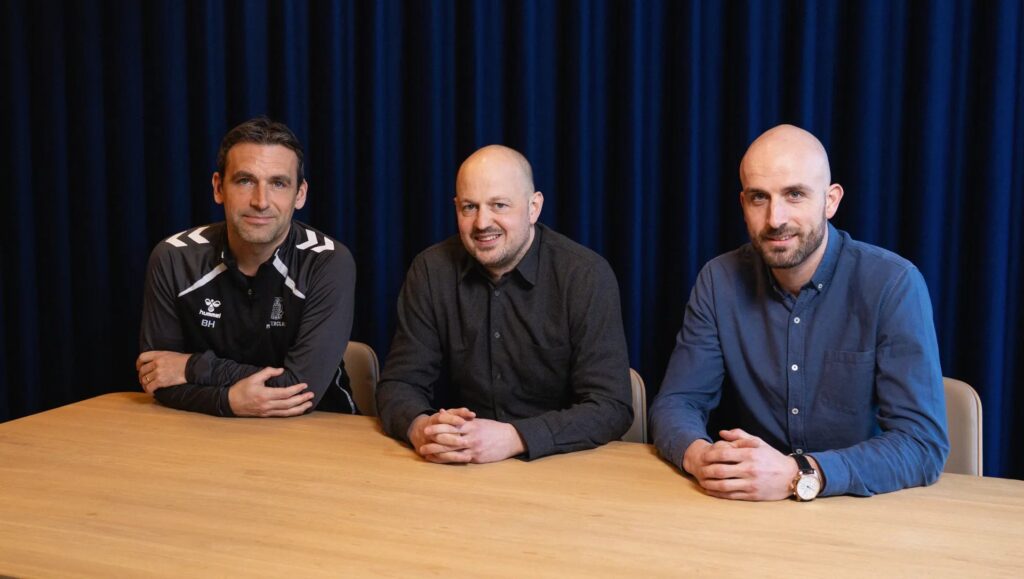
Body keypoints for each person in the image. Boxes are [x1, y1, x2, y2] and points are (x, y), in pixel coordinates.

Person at [650, 124, 948, 500]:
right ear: (743, 205)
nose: (776, 219)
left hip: (866, 510)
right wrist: (699, 456)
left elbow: (922, 445)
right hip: (756, 510)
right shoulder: (719, 280)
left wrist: (801, 473)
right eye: (760, 198)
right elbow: (677, 402)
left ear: (831, 200)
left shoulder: (892, 284)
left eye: (794, 195)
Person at [376, 145, 632, 463]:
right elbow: (399, 383)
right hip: (464, 464)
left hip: (565, 464)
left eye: (499, 205)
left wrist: (515, 437)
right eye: (469, 207)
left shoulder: (585, 275)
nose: (482, 222)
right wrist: (422, 428)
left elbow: (611, 406)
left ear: (533, 207)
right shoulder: (431, 270)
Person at [137, 117, 357, 417]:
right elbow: (157, 378)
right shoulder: (173, 258)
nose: (261, 201)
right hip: (203, 432)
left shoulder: (328, 262)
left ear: (300, 194)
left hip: (318, 430)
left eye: (278, 183)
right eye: (245, 181)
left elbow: (298, 390)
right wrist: (228, 402)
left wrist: (192, 366)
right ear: (218, 188)